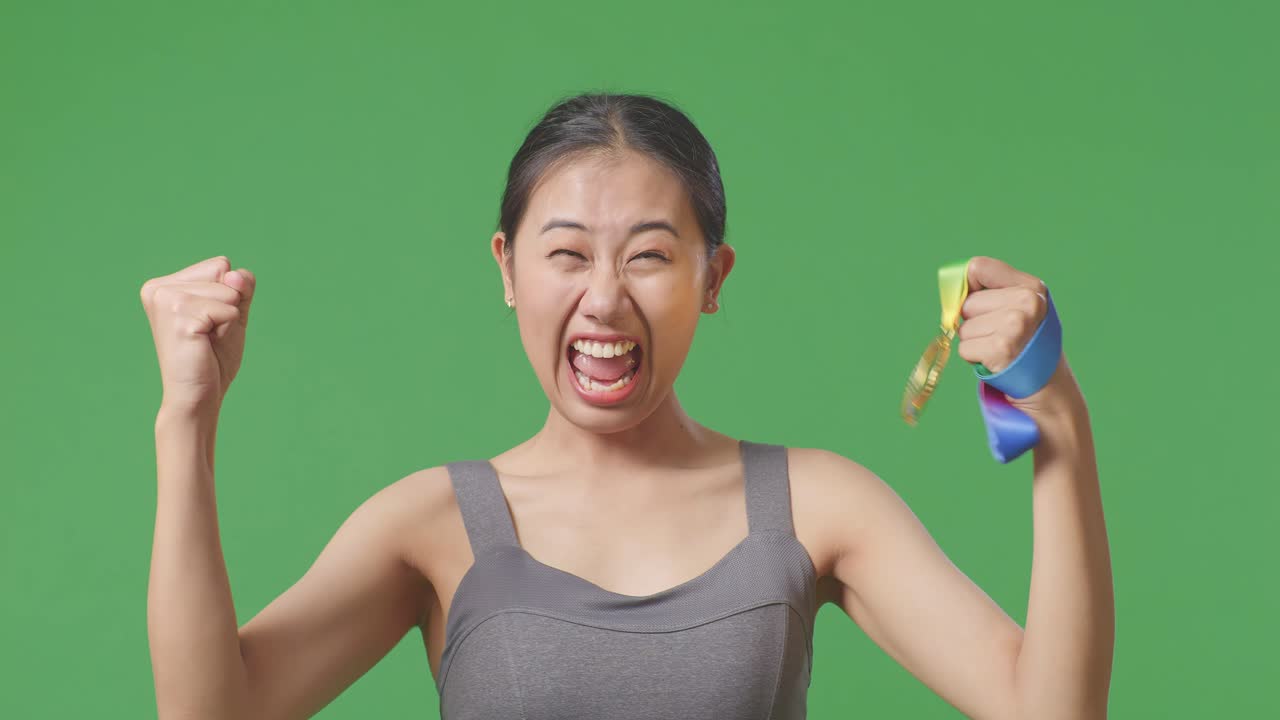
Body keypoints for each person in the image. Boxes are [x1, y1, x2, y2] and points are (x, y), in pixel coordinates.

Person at [141, 93, 1114, 719]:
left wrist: (1054, 417)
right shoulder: (430, 525)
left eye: (648, 255)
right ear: (506, 269)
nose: (603, 298)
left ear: (713, 276)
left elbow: (1051, 710)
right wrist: (186, 423)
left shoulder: (820, 506)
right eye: (565, 254)